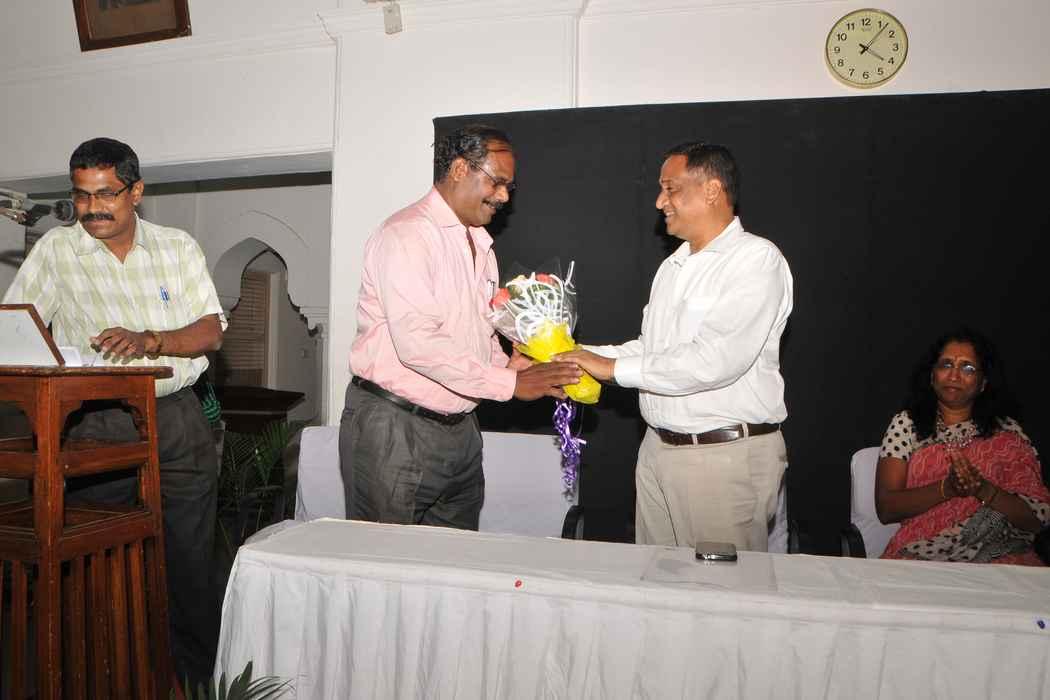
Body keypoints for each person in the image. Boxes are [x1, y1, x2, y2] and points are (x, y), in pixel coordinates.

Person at [2, 137, 226, 685]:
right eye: (82, 196)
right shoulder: (57, 249)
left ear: (136, 192)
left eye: (106, 194)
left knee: (189, 565)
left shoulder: (176, 247)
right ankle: (98, 677)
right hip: (94, 424)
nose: (93, 208)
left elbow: (210, 331)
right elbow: (16, 328)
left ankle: (191, 685)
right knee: (92, 564)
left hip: (176, 420)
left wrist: (150, 340)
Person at [340, 124, 581, 530]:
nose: (504, 196)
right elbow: (417, 344)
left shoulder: (481, 245)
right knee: (387, 561)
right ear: (458, 169)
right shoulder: (407, 235)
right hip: (395, 427)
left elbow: (479, 332)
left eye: (509, 187)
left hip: (462, 430)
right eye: (496, 182)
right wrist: (510, 385)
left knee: (454, 560)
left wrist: (512, 365)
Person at [555, 142, 792, 551]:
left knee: (720, 589)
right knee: (656, 583)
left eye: (671, 189)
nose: (659, 201)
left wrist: (609, 368)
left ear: (712, 190)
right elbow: (651, 351)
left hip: (722, 457)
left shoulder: (755, 259)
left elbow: (715, 361)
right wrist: (564, 355)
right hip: (657, 450)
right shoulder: (673, 266)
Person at [875, 328, 1050, 565]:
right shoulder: (907, 424)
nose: (954, 375)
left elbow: (1036, 519)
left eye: (968, 368)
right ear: (932, 376)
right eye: (946, 364)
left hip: (1001, 555)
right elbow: (886, 509)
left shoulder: (1008, 434)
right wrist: (948, 488)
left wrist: (983, 490)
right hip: (921, 556)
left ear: (983, 383)